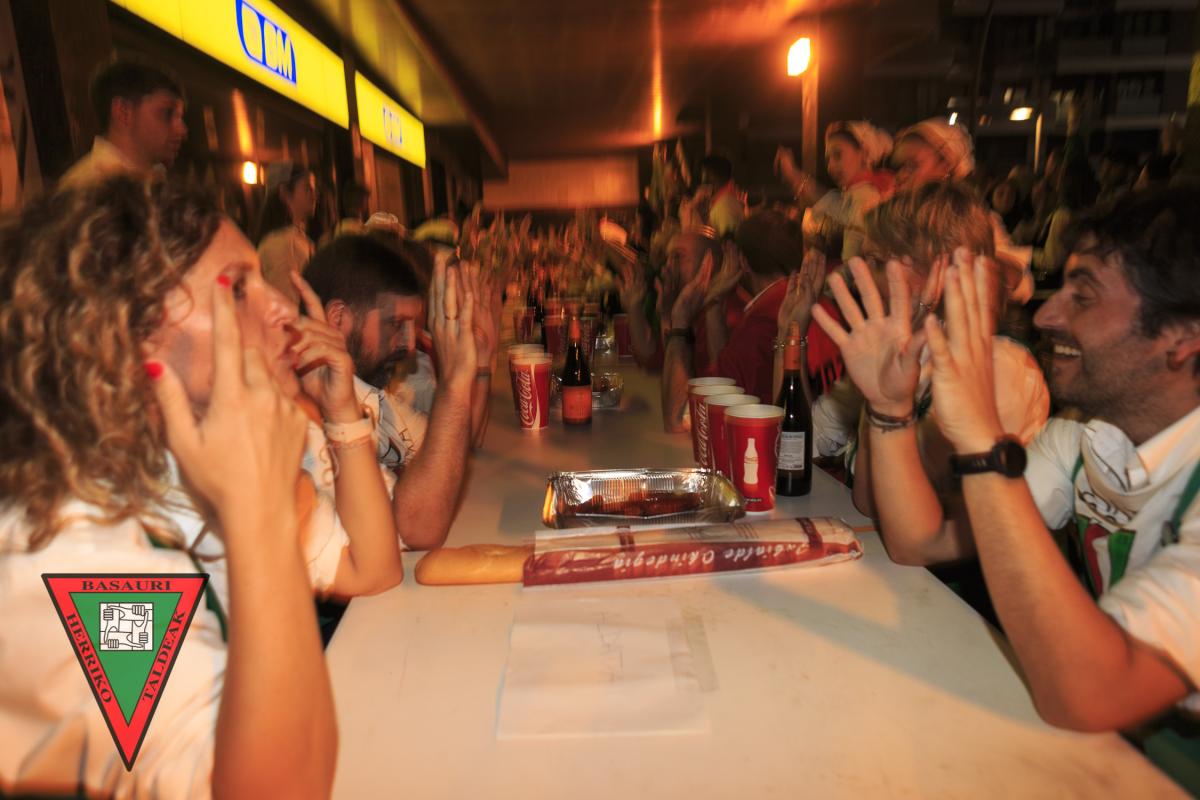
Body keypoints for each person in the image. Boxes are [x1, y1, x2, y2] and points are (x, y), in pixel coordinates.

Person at [0, 178, 336, 796]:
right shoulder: (76, 558)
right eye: (238, 289)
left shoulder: (154, 475)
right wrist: (261, 512)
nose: (284, 311)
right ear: (124, 335)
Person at [862, 186, 1200, 737]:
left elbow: (1091, 695)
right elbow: (918, 541)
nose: (1045, 315)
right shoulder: (1080, 439)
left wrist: (981, 441)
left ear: (1182, 337)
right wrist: (887, 408)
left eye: (1082, 296)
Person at [807, 182, 1048, 498]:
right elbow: (809, 439)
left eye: (876, 261)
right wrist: (789, 336)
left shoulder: (1001, 367)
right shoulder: (914, 344)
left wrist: (883, 404)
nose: (861, 273)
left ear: (936, 267)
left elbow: (888, 502)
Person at [304, 234, 488, 550]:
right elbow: (416, 529)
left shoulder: (370, 394)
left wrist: (478, 363)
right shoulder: (309, 424)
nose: (410, 344)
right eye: (395, 324)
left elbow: (446, 447)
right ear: (339, 319)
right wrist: (454, 384)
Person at [660, 209, 844, 431]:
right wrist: (714, 306)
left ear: (742, 262)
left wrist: (679, 322)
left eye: (678, 257)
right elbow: (729, 382)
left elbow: (680, 419)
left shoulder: (759, 326)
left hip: (794, 448)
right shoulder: (824, 305)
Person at [59, 57, 186, 188]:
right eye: (167, 113)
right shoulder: (88, 188)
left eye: (180, 117)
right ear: (123, 111)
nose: (182, 130)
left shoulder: (152, 179)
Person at [776, 121, 894, 261]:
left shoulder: (869, 195)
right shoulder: (854, 194)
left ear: (864, 152)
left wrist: (795, 177)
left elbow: (840, 209)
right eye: (828, 159)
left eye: (838, 155)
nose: (830, 167)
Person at [256, 162, 317, 305]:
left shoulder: (296, 238)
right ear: (284, 192)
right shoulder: (278, 244)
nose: (314, 195)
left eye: (314, 189)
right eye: (307, 189)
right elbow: (287, 302)